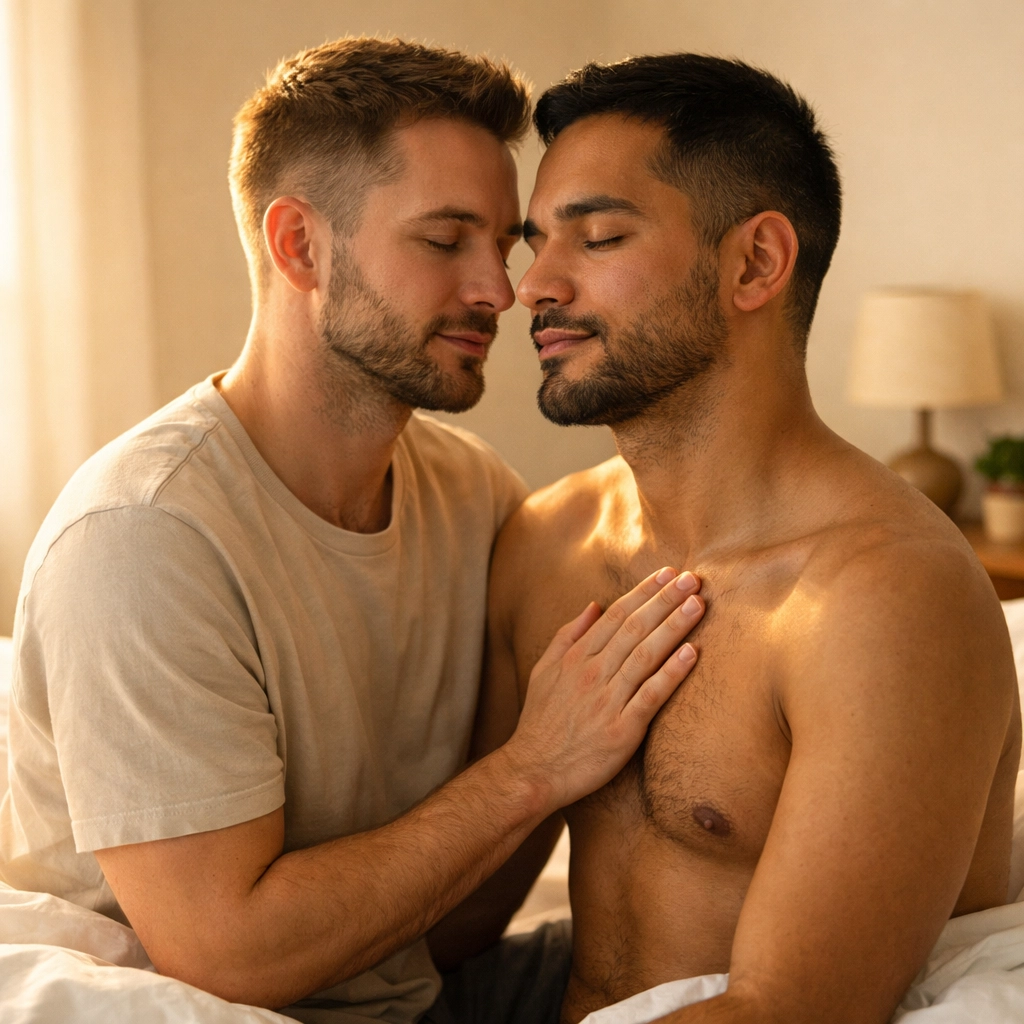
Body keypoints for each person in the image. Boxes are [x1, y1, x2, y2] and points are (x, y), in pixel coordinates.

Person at [0, 38, 707, 1024]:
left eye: (498, 243)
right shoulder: (141, 537)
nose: (501, 292)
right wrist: (534, 769)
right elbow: (227, 959)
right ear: (299, 245)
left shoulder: (473, 498)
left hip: (423, 989)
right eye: (442, 239)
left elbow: (448, 922)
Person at [484, 54, 1022, 1024]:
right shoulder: (543, 543)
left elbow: (787, 1014)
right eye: (534, 245)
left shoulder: (887, 597)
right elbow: (460, 917)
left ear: (755, 265)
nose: (534, 287)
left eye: (596, 236)